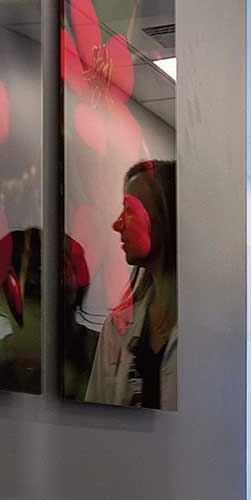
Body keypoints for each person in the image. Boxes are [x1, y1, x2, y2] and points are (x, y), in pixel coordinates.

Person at [82, 159, 177, 408]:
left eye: (129, 210)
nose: (117, 224)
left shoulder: (211, 326)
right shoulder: (116, 329)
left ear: (165, 217)